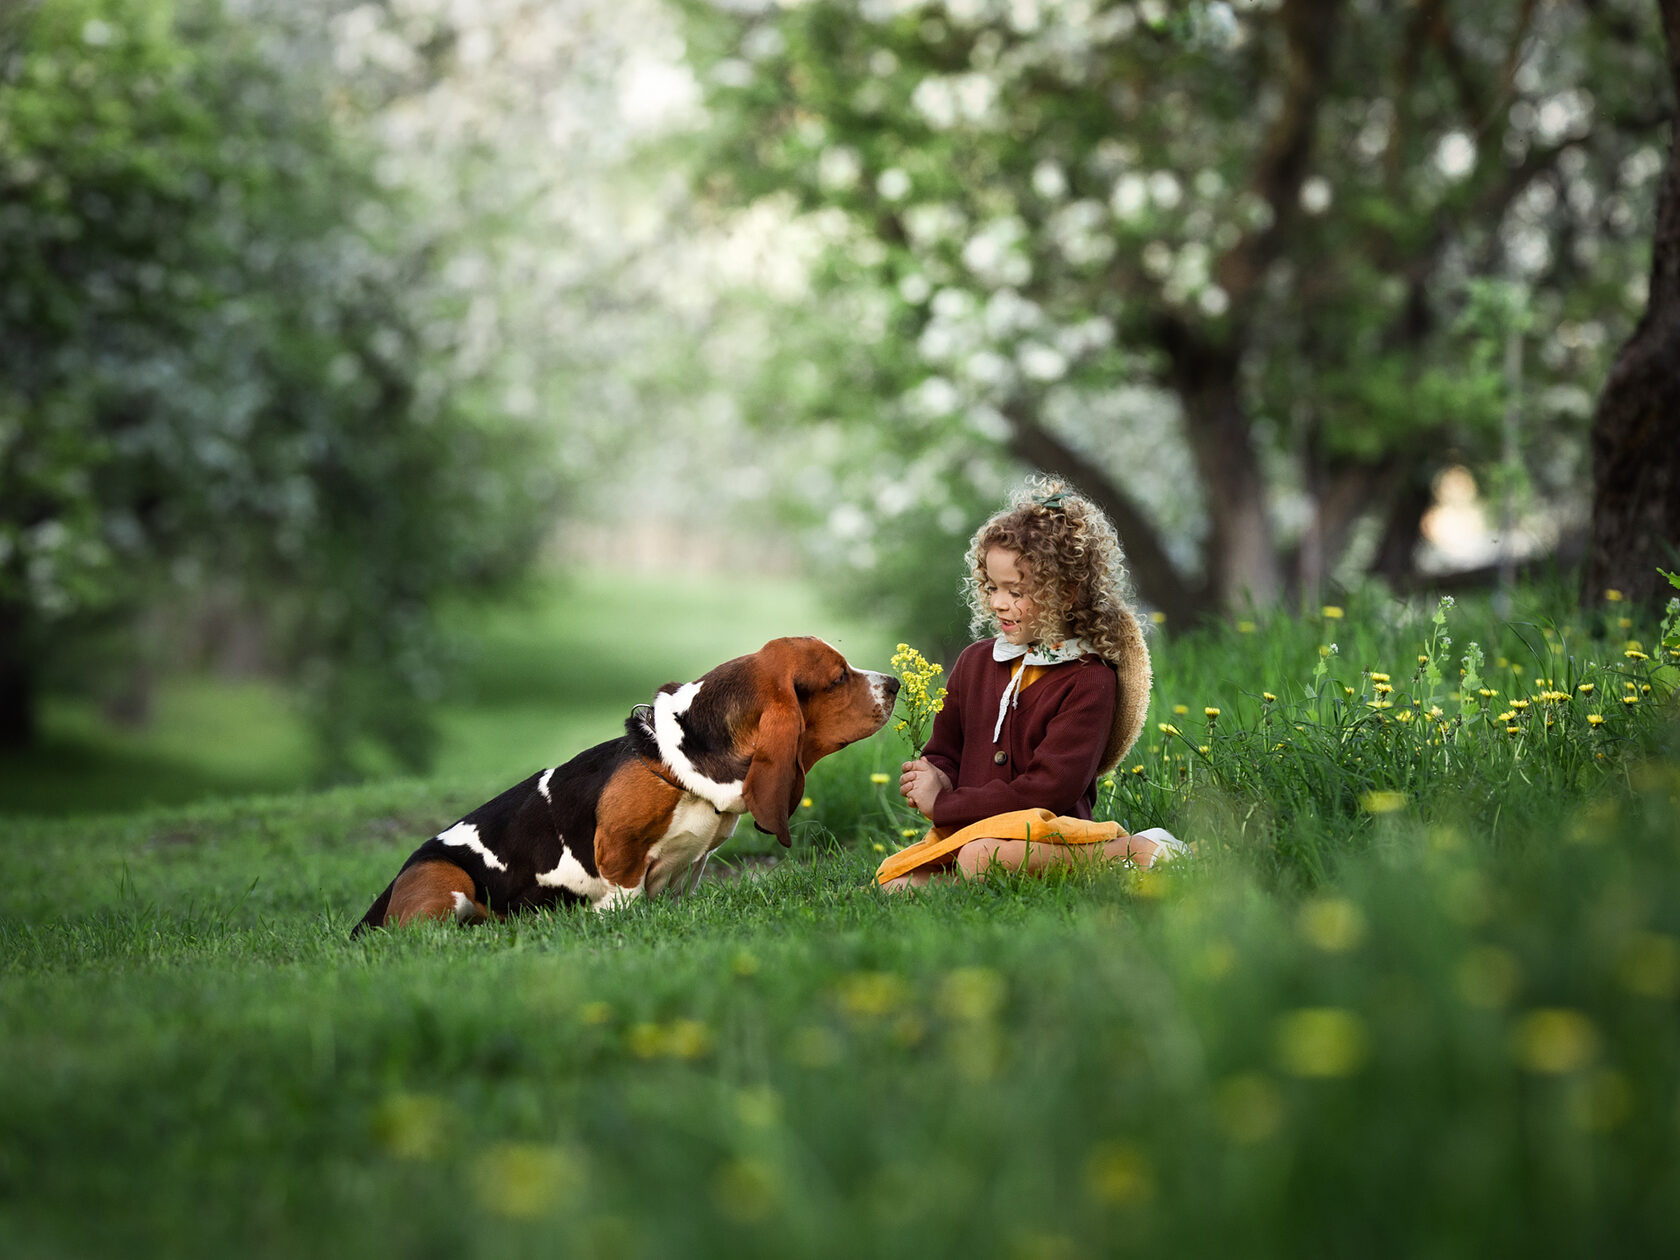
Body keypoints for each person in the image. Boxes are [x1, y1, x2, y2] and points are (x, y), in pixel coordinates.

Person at [876, 477, 1184, 891]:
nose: (998, 602)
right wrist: (935, 776)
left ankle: (1138, 851)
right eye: (991, 587)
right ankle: (970, 880)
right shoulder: (975, 662)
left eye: (1015, 591)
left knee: (982, 857)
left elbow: (1050, 790)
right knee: (896, 882)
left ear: (1067, 592)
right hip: (973, 830)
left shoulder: (1089, 679)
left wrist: (947, 803)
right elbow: (945, 750)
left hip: (1049, 834)